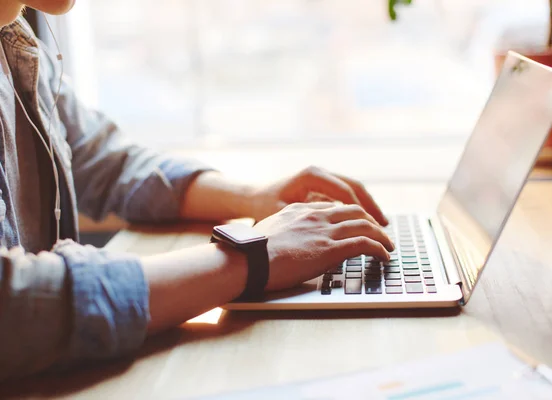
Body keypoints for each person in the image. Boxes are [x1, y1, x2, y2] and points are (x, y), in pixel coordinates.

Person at [0, 0, 394, 381]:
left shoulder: (14, 41)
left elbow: (105, 160)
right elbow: (12, 306)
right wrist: (252, 255)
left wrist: (252, 199)